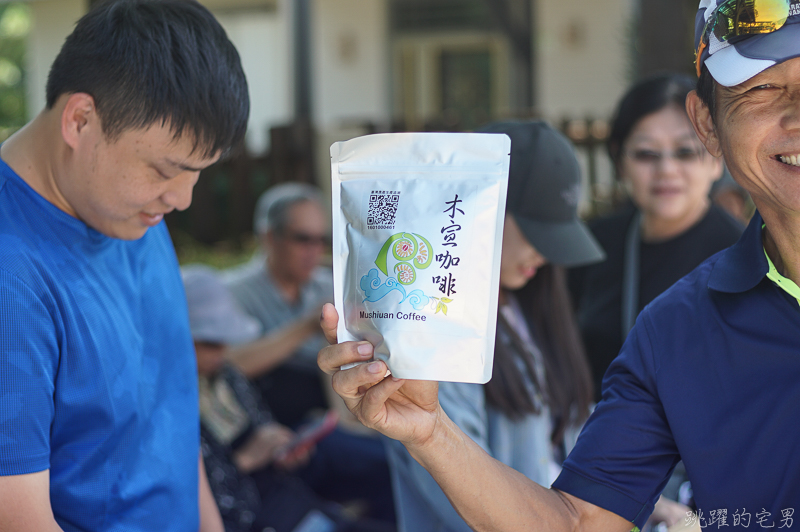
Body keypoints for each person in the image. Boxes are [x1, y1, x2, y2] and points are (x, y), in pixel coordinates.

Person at [317, 0, 800, 528]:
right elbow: (579, 521)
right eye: (761, 88)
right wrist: (432, 432)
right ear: (707, 125)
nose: (797, 115)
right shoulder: (675, 330)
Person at [0, 1, 249, 530]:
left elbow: (171, 420)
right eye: (166, 169)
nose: (182, 198)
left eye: (198, 173)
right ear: (81, 119)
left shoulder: (132, 212)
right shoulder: (12, 276)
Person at [384, 121, 602, 532]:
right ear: (479, 208)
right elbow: (462, 504)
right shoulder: (428, 329)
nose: (544, 253)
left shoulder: (522, 305)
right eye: (537, 231)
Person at [569, 73, 744, 404]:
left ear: (716, 158)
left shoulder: (744, 256)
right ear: (620, 161)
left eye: (685, 152)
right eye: (647, 154)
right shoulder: (593, 245)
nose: (666, 170)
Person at [183, 266, 393, 532]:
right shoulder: (172, 407)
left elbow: (264, 427)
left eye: (226, 340)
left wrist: (283, 449)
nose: (223, 351)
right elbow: (200, 500)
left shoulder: (227, 376)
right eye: (211, 342)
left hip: (291, 501)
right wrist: (245, 460)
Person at [226, 183, 333, 428]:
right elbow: (228, 365)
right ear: (269, 237)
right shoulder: (234, 292)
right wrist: (306, 326)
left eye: (321, 240)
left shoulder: (327, 286)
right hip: (275, 426)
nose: (314, 251)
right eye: (302, 239)